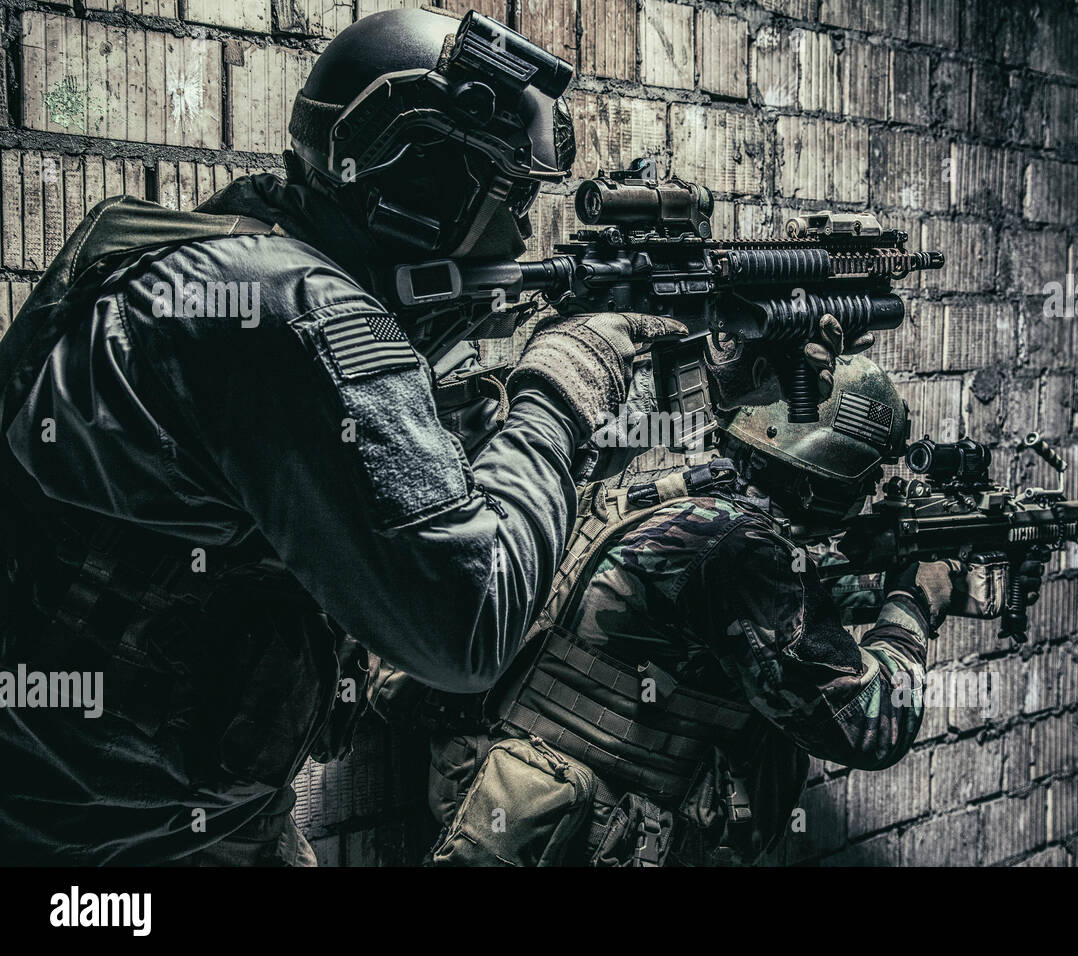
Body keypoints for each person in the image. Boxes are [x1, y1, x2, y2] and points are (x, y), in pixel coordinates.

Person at [0, 7, 679, 865]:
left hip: (138, 807)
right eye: (504, 197)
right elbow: (466, 626)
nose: (515, 238)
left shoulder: (217, 261)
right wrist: (561, 385)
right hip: (113, 844)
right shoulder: (297, 310)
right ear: (418, 180)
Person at [424, 354, 1043, 866]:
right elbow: (870, 725)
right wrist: (914, 603)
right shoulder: (745, 550)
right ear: (823, 483)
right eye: (865, 484)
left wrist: (877, 576)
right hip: (579, 836)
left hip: (509, 801)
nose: (869, 498)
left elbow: (742, 619)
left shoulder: (688, 498)